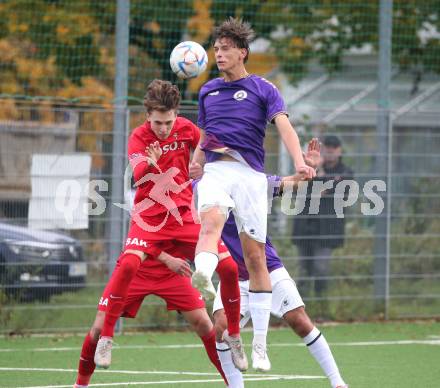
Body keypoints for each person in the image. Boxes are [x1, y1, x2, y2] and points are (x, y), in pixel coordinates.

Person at [190, 17, 316, 371]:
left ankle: (260, 345)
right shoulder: (208, 91)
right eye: (216, 49)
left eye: (225, 49)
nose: (218, 54)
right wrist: (197, 162)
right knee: (210, 223)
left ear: (242, 52)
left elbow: (285, 127)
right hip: (216, 170)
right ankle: (202, 276)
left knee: (255, 259)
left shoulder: (264, 88)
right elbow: (206, 134)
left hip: (250, 176)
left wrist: (300, 162)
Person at [92, 79, 242, 371]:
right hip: (149, 220)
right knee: (127, 266)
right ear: (148, 116)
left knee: (229, 268)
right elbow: (138, 173)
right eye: (158, 122)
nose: (163, 128)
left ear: (176, 115)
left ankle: (234, 335)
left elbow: (209, 149)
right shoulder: (139, 136)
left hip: (183, 217)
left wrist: (201, 164)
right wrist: (150, 162)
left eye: (168, 122)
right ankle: (107, 338)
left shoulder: (186, 128)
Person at [192, 140, 348, 387]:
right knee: (220, 330)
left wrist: (307, 169)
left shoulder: (254, 181)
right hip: (234, 277)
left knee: (299, 319)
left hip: (267, 269)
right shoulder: (203, 186)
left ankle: (338, 382)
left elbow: (292, 182)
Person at [73, 246, 231, 387]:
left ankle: (233, 383)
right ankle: (80, 385)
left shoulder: (186, 212)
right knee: (99, 328)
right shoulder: (139, 212)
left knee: (203, 323)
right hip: (137, 269)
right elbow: (137, 240)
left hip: (174, 271)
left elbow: (198, 235)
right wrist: (167, 258)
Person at [293, 135, 354, 298]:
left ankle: (320, 305)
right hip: (305, 227)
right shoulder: (307, 169)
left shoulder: (346, 172)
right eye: (327, 148)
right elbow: (298, 187)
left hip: (328, 229)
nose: (330, 152)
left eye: (334, 148)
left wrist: (319, 174)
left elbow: (335, 191)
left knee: (321, 268)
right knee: (303, 271)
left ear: (340, 151)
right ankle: (301, 307)